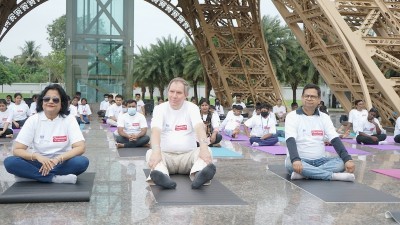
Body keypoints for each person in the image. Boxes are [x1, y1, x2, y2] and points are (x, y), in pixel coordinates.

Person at [4, 84, 89, 184]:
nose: (50, 102)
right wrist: (37, 157)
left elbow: (80, 147)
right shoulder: (33, 119)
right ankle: (54, 178)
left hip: (62, 163)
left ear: (62, 103)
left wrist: (58, 159)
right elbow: (17, 149)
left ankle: (32, 176)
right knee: (10, 162)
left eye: (55, 99)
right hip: (38, 163)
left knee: (82, 162)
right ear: (42, 102)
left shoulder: (69, 119)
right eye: (46, 99)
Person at [146, 77, 216, 189]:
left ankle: (199, 175)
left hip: (188, 157)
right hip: (165, 156)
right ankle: (163, 177)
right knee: (150, 153)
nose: (174, 96)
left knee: (207, 150)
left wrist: (203, 148)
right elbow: (155, 132)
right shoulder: (160, 109)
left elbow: (199, 128)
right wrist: (156, 151)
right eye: (171, 91)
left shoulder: (192, 108)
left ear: (185, 95)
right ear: (167, 92)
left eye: (179, 93)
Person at [285, 83, 355, 182]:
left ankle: (305, 174)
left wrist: (348, 159)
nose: (309, 98)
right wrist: (296, 159)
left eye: (313, 96)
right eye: (307, 96)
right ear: (302, 98)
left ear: (318, 100)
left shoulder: (324, 117)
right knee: (289, 164)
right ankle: (333, 176)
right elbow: (290, 139)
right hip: (301, 160)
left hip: (321, 160)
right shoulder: (292, 116)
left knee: (342, 163)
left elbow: (334, 139)